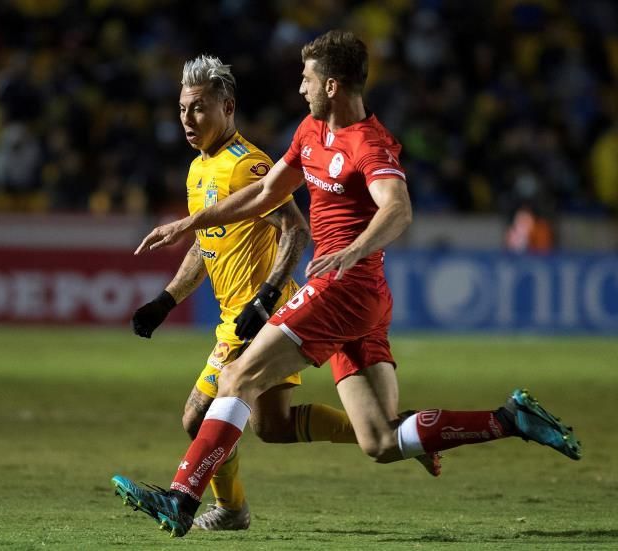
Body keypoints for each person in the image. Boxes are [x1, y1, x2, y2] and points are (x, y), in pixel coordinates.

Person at [113, 31, 581, 537]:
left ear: (332, 85)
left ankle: (183, 497)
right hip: (362, 299)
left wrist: (354, 249)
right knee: (379, 440)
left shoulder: (368, 143)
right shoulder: (311, 131)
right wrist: (190, 223)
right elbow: (268, 192)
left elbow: (397, 207)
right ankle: (509, 419)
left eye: (307, 78)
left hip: (343, 289)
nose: (299, 88)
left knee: (237, 379)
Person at [129, 54, 441, 532]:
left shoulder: (247, 165)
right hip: (237, 313)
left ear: (227, 107)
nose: (188, 120)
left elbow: (294, 229)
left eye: (198, 108)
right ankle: (396, 435)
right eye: (182, 109)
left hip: (257, 314)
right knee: (272, 427)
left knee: (197, 417)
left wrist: (266, 295)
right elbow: (206, 243)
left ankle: (229, 510)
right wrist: (167, 299)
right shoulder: (198, 170)